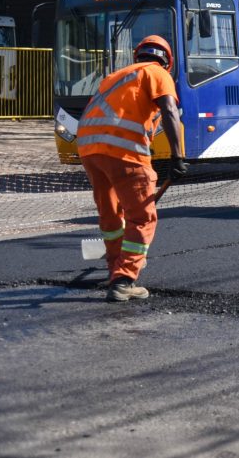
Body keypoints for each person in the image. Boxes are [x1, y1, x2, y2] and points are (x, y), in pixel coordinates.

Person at [77, 35, 185, 302]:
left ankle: (116, 268)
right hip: (124, 152)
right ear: (166, 61)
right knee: (142, 217)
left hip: (89, 150)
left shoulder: (116, 76)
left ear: (138, 55)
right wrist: (178, 157)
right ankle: (124, 280)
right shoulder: (157, 73)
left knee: (112, 216)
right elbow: (170, 110)